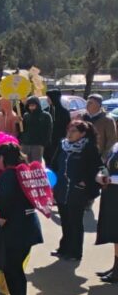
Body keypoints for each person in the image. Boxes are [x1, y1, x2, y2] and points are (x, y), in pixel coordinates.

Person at [0, 144, 44, 295]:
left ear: (2, 158)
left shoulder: (8, 175)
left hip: (14, 231)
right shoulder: (26, 171)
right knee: (17, 270)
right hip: (29, 227)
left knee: (11, 270)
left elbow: (4, 204)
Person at [50, 119, 102, 262]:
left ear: (83, 133)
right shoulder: (62, 145)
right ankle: (64, 248)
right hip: (61, 189)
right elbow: (53, 165)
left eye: (74, 131)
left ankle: (75, 252)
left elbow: (97, 169)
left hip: (77, 191)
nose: (70, 134)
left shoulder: (89, 148)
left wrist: (86, 182)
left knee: (75, 222)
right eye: (69, 130)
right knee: (65, 221)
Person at [95, 139, 118, 284]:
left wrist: (110, 179)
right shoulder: (116, 145)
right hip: (112, 193)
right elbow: (105, 165)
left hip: (115, 188)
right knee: (115, 233)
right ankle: (116, 267)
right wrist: (101, 174)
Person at [18, 96, 52, 164]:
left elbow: (48, 130)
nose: (31, 107)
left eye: (33, 105)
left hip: (37, 144)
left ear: (38, 105)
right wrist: (19, 123)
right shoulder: (26, 115)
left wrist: (44, 143)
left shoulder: (45, 115)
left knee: (36, 164)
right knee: (24, 163)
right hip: (26, 144)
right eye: (29, 105)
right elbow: (22, 129)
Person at [46, 89, 70, 163]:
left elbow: (67, 126)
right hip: (47, 142)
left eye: (49, 98)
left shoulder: (64, 112)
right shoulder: (46, 111)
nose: (47, 100)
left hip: (59, 141)